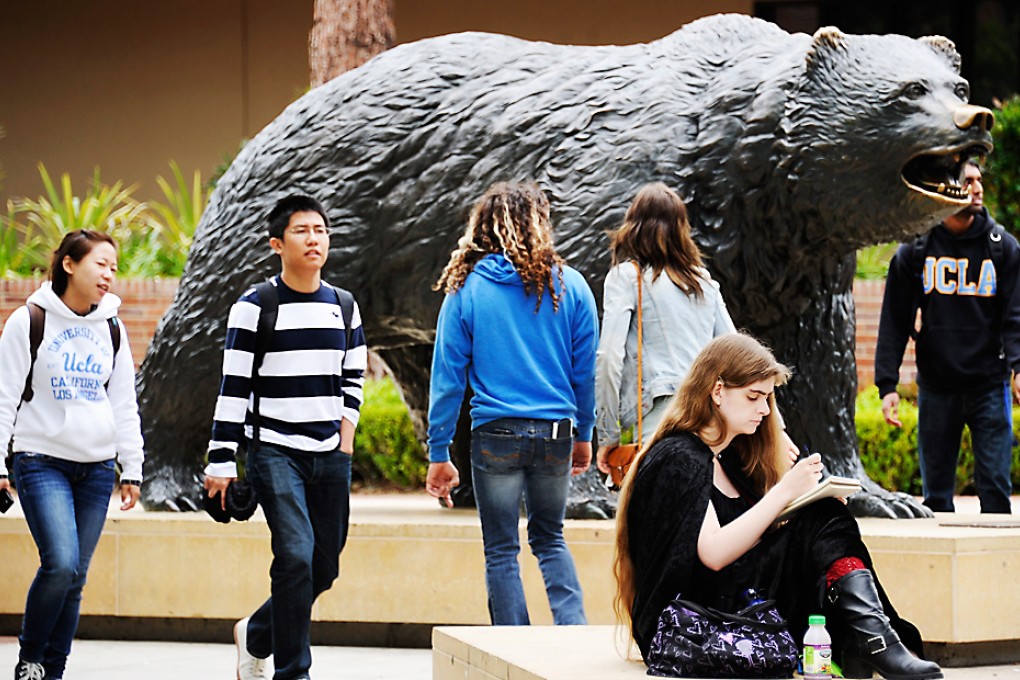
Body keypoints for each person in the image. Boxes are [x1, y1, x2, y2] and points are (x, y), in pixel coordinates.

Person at [614, 333, 943, 680]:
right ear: (717, 391)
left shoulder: (725, 459)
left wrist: (804, 506)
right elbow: (712, 552)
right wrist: (785, 491)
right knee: (821, 518)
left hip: (727, 599)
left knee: (823, 515)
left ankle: (871, 642)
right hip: (694, 618)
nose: (765, 409)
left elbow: (750, 539)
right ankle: (874, 645)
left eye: (768, 397)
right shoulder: (679, 458)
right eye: (754, 396)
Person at [203, 195, 367, 680]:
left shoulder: (344, 305)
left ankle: (255, 633)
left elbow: (353, 376)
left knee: (324, 568)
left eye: (320, 230)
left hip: (329, 454)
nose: (314, 238)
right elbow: (233, 386)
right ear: (277, 244)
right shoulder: (255, 306)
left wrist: (346, 436)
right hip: (274, 451)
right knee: (294, 554)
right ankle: (293, 672)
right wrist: (221, 460)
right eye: (301, 230)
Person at [425, 181, 598, 625]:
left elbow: (447, 379)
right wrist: (584, 434)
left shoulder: (465, 289)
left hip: (495, 434)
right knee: (550, 538)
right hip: (556, 434)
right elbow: (584, 374)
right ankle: (574, 633)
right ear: (540, 224)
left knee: (501, 547)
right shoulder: (572, 286)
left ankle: (513, 649)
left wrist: (439, 452)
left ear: (483, 228)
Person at [0, 230, 144, 680]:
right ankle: (30, 660)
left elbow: (123, 402)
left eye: (114, 267)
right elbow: (4, 397)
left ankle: (53, 671)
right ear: (69, 264)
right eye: (100, 264)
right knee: (60, 563)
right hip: (40, 459)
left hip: (97, 468)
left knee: (76, 577)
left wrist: (132, 466)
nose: (108, 275)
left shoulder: (112, 326)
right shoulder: (30, 320)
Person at [875, 160, 1019, 513]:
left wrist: (1019, 368)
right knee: (935, 499)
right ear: (945, 186)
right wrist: (888, 385)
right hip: (937, 387)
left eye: (980, 180)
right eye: (969, 180)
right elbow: (895, 319)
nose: (978, 187)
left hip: (989, 385)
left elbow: (1015, 317)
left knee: (997, 495)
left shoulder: (1003, 247)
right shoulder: (915, 250)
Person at [594, 183, 735, 475]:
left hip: (660, 416)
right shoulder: (705, 284)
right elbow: (740, 357)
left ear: (633, 226)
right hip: (709, 420)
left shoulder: (626, 278)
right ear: (682, 230)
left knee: (653, 516)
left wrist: (607, 434)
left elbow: (608, 358)